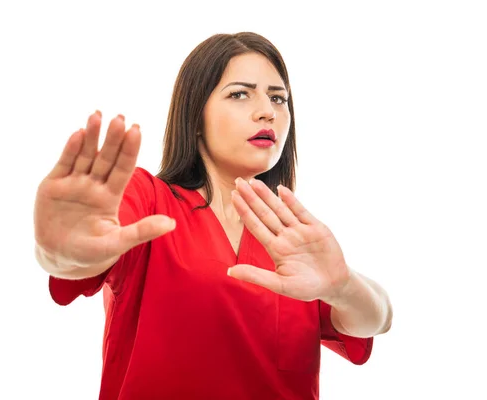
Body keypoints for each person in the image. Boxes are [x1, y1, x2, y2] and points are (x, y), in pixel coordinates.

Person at [33, 32, 393, 400]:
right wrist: (62, 248)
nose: (268, 110)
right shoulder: (148, 199)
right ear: (196, 116)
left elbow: (379, 317)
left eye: (278, 98)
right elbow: (78, 256)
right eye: (240, 93)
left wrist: (344, 286)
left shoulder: (291, 238)